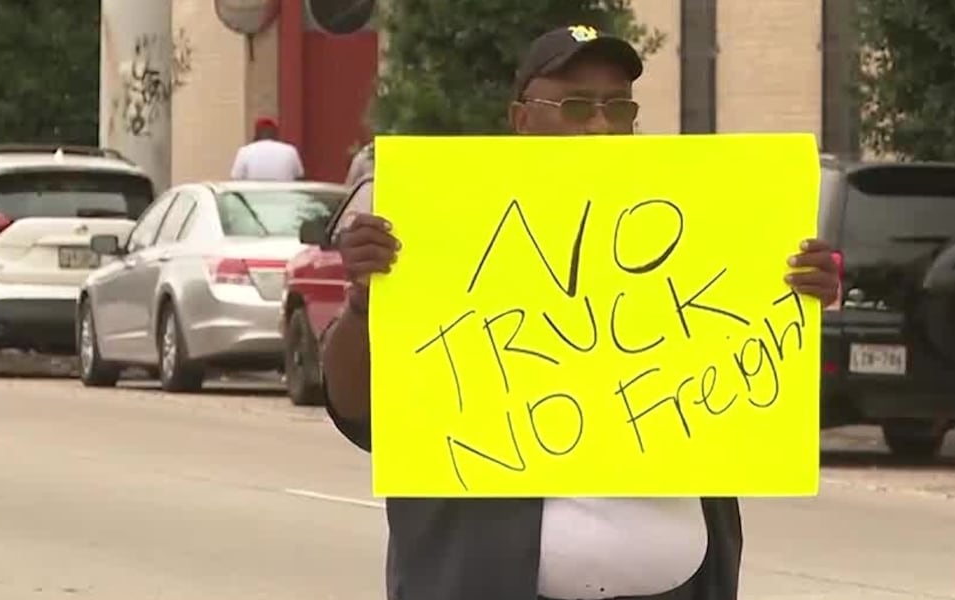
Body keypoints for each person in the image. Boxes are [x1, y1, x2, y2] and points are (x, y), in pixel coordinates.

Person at [320, 24, 843, 600]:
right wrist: (367, 304)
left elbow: (750, 384)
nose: (600, 124)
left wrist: (795, 299)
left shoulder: (689, 236)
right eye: (575, 105)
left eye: (619, 107)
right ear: (521, 121)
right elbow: (359, 410)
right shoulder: (446, 235)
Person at [229, 117, 305, 182]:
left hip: (254, 197)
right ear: (275, 133)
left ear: (256, 134)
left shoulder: (245, 151)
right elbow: (299, 177)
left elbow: (236, 179)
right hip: (285, 197)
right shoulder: (290, 150)